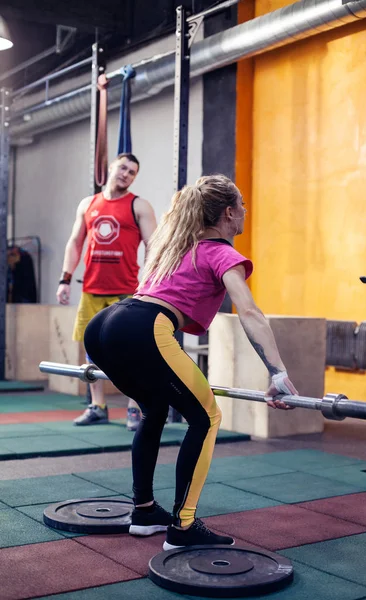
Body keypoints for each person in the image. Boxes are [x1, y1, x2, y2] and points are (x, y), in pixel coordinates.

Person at [84, 174, 298, 549]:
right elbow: (249, 313)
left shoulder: (176, 247)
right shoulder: (222, 253)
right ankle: (183, 527)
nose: (246, 211)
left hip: (105, 324)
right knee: (207, 416)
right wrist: (277, 372)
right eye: (242, 206)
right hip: (145, 327)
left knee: (154, 410)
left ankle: (145, 510)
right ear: (229, 213)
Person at [56, 153, 157, 429]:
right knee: (91, 351)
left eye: (132, 172)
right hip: (91, 290)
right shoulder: (88, 204)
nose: (126, 173)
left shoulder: (139, 205)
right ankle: (97, 406)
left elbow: (154, 245)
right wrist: (65, 279)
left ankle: (134, 409)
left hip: (126, 291)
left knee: (131, 351)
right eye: (123, 167)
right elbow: (75, 243)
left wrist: (148, 283)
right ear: (111, 167)